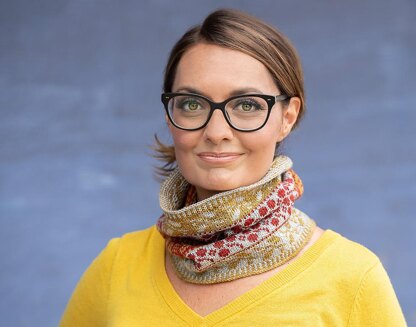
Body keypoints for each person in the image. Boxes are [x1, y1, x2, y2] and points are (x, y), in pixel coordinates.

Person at [60, 8, 407, 326]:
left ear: (287, 117)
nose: (216, 132)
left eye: (246, 105)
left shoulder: (353, 278)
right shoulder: (116, 267)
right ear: (170, 116)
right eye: (192, 104)